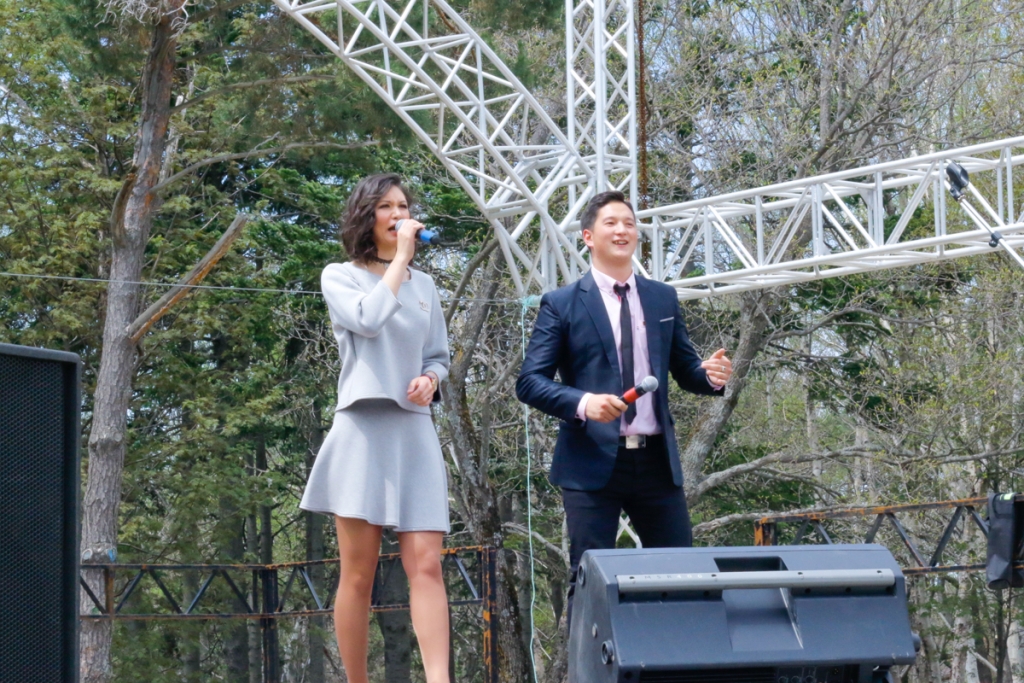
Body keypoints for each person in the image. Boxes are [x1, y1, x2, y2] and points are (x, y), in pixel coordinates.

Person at [515, 190, 734, 628]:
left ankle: (674, 661)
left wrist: (711, 376)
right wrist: (583, 402)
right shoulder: (562, 303)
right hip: (591, 463)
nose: (622, 230)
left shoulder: (662, 298)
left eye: (630, 223)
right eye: (611, 223)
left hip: (656, 463)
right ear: (588, 237)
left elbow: (685, 370)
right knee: (591, 581)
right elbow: (530, 382)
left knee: (681, 578)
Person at [300, 173, 451, 683]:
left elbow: (438, 356)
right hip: (362, 428)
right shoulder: (339, 276)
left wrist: (431, 379)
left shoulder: (426, 286)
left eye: (403, 206)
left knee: (426, 564)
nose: (398, 214)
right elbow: (367, 320)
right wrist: (401, 260)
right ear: (366, 216)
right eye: (386, 206)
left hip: (414, 430)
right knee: (359, 574)